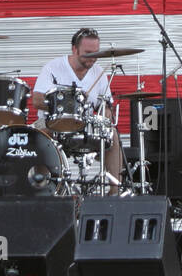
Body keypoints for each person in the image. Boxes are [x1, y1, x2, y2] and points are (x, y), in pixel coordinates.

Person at [32, 27, 125, 189]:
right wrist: (67, 105)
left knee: (113, 135)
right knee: (40, 137)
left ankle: (115, 191)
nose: (93, 58)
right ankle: (43, 188)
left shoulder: (99, 73)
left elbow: (106, 105)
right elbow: (37, 100)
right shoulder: (53, 67)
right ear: (74, 49)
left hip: (83, 126)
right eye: (88, 52)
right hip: (52, 124)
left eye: (95, 53)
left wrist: (105, 115)